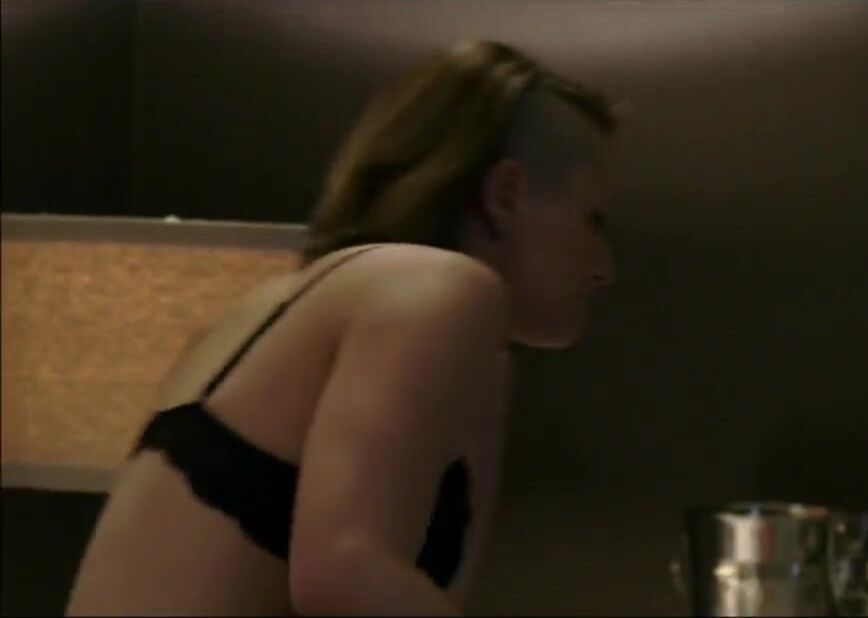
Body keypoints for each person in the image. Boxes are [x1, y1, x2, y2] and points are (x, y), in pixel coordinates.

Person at [66, 39, 620, 616]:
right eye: (594, 219)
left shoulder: (284, 304)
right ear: (506, 195)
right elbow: (345, 573)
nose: (605, 267)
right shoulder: (440, 288)